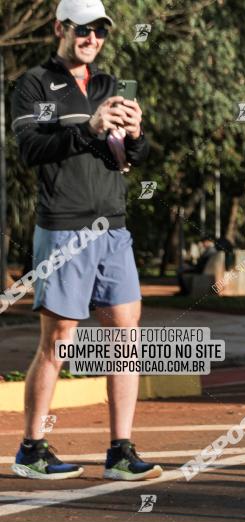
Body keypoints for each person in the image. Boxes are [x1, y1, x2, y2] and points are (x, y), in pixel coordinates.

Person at [9, 0, 160, 481]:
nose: (92, 38)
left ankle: (120, 451)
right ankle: (32, 449)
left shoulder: (111, 85)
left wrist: (136, 136)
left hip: (113, 226)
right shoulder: (35, 84)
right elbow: (32, 148)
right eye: (83, 29)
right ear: (60, 27)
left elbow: (133, 154)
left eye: (101, 31)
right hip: (63, 227)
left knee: (126, 338)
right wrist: (88, 128)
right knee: (58, 342)